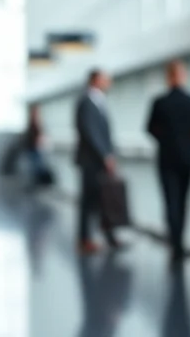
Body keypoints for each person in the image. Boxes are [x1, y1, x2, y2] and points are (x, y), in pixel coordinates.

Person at [147, 60, 190, 264]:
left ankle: (175, 245)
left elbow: (150, 128)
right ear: (182, 76)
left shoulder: (159, 102)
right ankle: (179, 243)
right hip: (187, 157)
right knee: (182, 202)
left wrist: (166, 139)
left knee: (170, 201)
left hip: (166, 157)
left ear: (168, 77)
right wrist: (189, 138)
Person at [75, 69, 121, 254]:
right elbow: (91, 132)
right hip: (90, 160)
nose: (108, 82)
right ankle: (85, 239)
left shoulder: (99, 101)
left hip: (98, 160)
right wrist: (105, 155)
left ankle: (109, 236)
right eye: (105, 79)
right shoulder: (86, 101)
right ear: (95, 80)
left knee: (104, 198)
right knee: (88, 201)